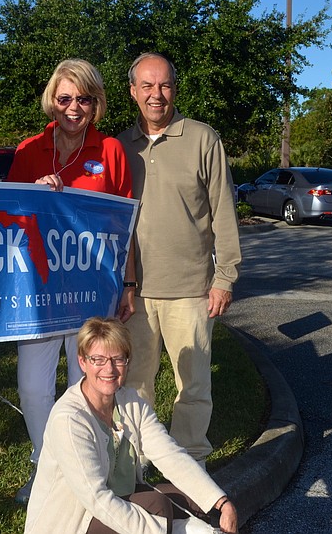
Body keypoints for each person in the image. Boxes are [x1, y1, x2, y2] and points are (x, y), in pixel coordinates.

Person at [6, 58, 136, 503]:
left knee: (87, 385)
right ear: (52, 100)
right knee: (33, 386)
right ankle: (48, 467)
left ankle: (92, 468)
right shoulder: (27, 151)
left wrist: (128, 284)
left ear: (96, 102)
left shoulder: (112, 151)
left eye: (84, 98)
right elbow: (9, 224)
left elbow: (126, 225)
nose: (74, 107)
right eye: (65, 98)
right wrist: (34, 197)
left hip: (91, 290)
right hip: (39, 292)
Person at [116, 53, 241, 464]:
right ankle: (135, 464)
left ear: (175, 89)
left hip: (191, 289)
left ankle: (190, 463)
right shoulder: (119, 146)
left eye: (165, 85)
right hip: (134, 293)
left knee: (194, 386)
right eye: (147, 86)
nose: (157, 95)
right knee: (134, 384)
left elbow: (223, 209)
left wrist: (225, 276)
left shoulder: (203, 138)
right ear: (133, 91)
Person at [24, 317, 238, 534]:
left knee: (193, 499)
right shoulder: (69, 419)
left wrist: (220, 502)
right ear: (82, 362)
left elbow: (170, 455)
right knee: (157, 506)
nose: (109, 369)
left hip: (117, 499)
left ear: (127, 361)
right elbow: (97, 499)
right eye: (98, 359)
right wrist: (163, 530)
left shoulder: (130, 401)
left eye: (117, 359)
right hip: (75, 521)